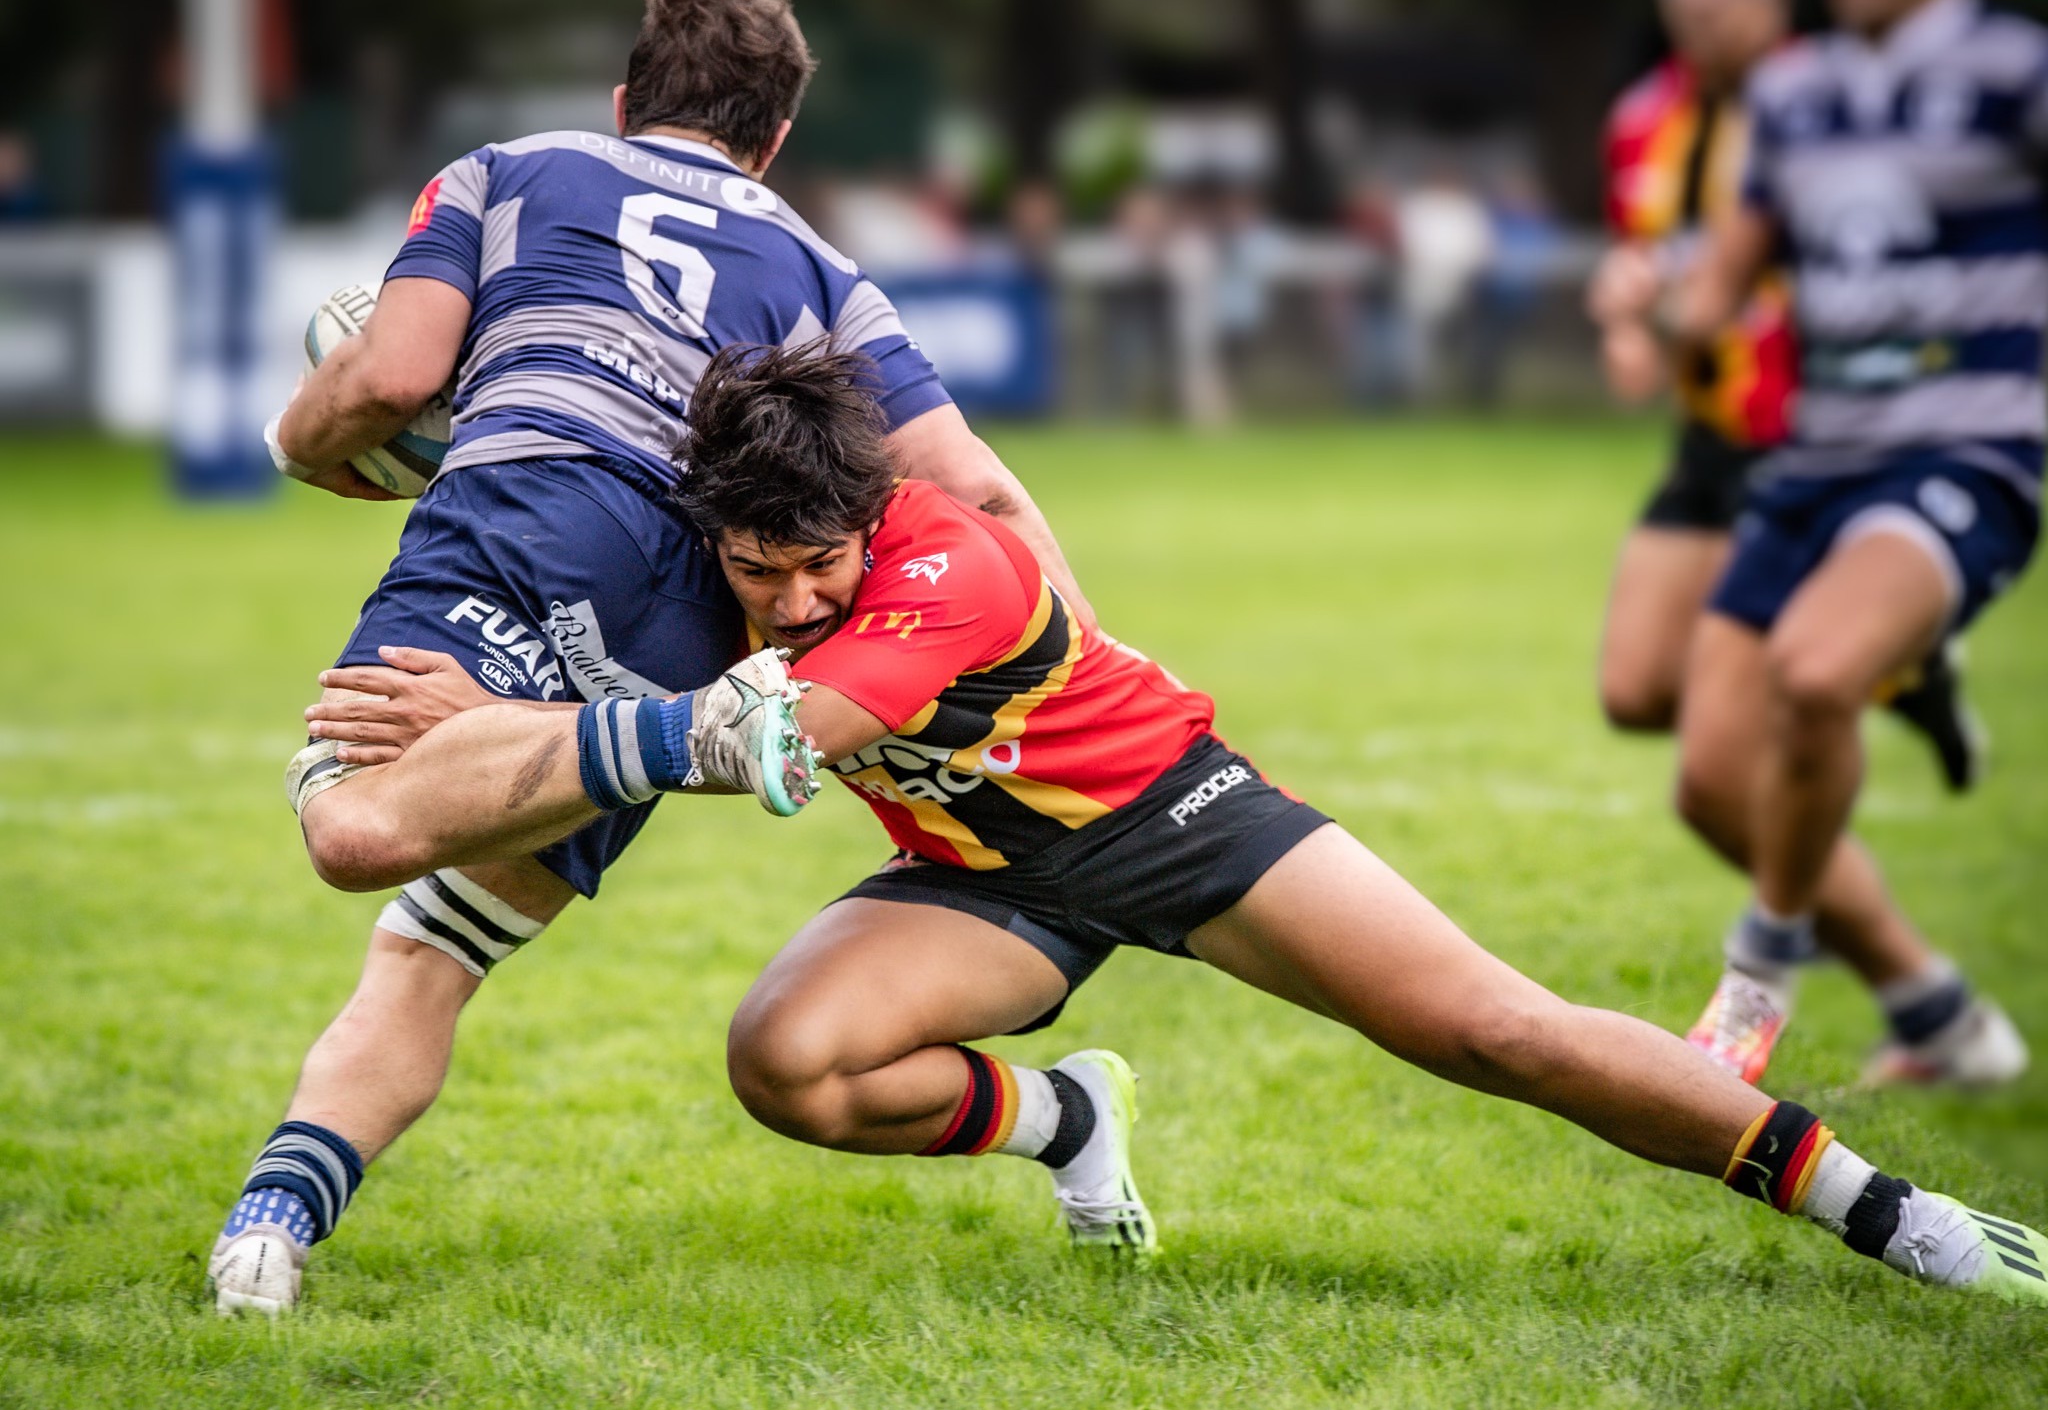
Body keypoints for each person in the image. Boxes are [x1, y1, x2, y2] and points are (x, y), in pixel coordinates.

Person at [314, 342, 2048, 1307]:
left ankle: (1893, 1212)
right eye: (750, 569)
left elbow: (772, 741)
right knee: (785, 1059)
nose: (775, 598)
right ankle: (1066, 1112)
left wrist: (503, 731)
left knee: (1495, 1028)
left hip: (1174, 817)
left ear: (869, 516)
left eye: (807, 566)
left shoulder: (948, 560)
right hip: (981, 871)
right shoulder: (755, 536)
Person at [208, 0, 1089, 1316]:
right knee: (438, 934)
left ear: (628, 100)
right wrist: (1094, 669)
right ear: (774, 136)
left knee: (353, 818)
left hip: (525, 505)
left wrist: (295, 439)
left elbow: (389, 374)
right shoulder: (819, 264)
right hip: (693, 585)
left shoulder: (508, 169)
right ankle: (272, 1223)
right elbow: (973, 488)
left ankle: (689, 736)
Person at [1651, 0, 2042, 1087]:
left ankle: (1760, 961)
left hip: (1965, 457)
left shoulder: (2014, 74)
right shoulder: (1791, 92)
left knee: (1816, 673)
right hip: (1812, 465)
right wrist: (1657, 302)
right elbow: (1721, 285)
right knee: (1712, 780)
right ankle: (1936, 1016)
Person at [1589, 0, 1979, 783]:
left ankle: (1864, 691)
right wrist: (1626, 318)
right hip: (1709, 433)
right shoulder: (1640, 120)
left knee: (1742, 733)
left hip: (1809, 434)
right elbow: (1647, 261)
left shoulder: (1831, 105)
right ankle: (1902, 671)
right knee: (1635, 689)